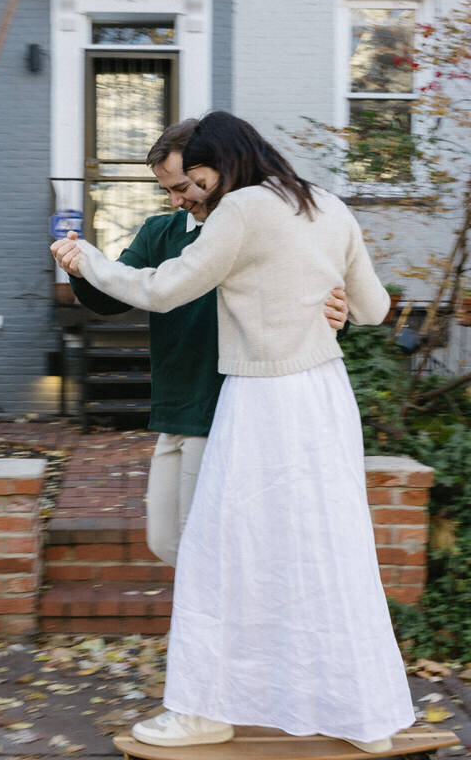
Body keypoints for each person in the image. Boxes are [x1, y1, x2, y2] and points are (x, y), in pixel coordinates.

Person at [52, 111, 415, 752]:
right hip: (325, 396)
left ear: (229, 161)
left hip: (260, 398)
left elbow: (164, 289)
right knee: (330, 551)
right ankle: (365, 715)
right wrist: (330, 299)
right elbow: (375, 307)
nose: (193, 193)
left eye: (197, 177)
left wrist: (86, 259)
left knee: (218, 556)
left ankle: (204, 711)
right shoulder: (326, 203)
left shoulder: (242, 210)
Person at [69, 118, 348, 569]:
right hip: (176, 403)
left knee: (203, 550)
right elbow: (109, 296)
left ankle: (222, 631)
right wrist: (81, 268)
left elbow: (306, 304)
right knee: (166, 541)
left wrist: (340, 316)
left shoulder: (259, 230)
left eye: (186, 185)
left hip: (227, 406)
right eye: (168, 191)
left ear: (213, 171)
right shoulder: (161, 233)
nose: (177, 199)